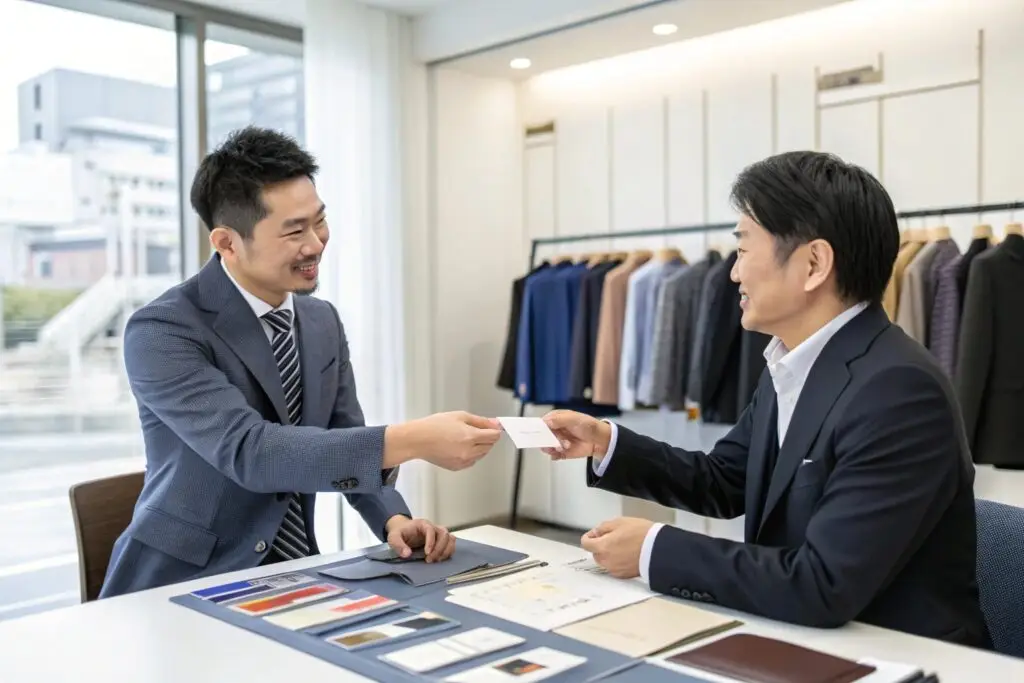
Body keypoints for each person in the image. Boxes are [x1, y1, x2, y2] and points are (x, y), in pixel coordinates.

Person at [542, 151, 992, 648]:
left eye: (744, 250)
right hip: (802, 635)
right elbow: (724, 480)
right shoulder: (795, 361)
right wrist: (607, 442)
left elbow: (823, 583)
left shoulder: (900, 391)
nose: (734, 274)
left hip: (899, 655)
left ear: (814, 263)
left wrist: (654, 549)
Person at [100, 127, 501, 598]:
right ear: (226, 243)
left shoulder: (321, 320)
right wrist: (414, 439)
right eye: (294, 231)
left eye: (320, 221)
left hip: (293, 574)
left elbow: (341, 433)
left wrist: (392, 517)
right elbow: (252, 453)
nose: (315, 244)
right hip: (178, 583)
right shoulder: (163, 330)